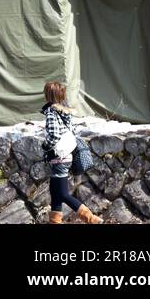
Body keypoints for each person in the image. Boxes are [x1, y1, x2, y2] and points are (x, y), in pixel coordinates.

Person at [41, 80, 102, 224]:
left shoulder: (51, 111)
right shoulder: (64, 110)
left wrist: (45, 146)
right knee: (55, 193)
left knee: (62, 194)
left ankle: (91, 219)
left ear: (48, 95)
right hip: (67, 153)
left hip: (59, 156)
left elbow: (54, 135)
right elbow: (71, 131)